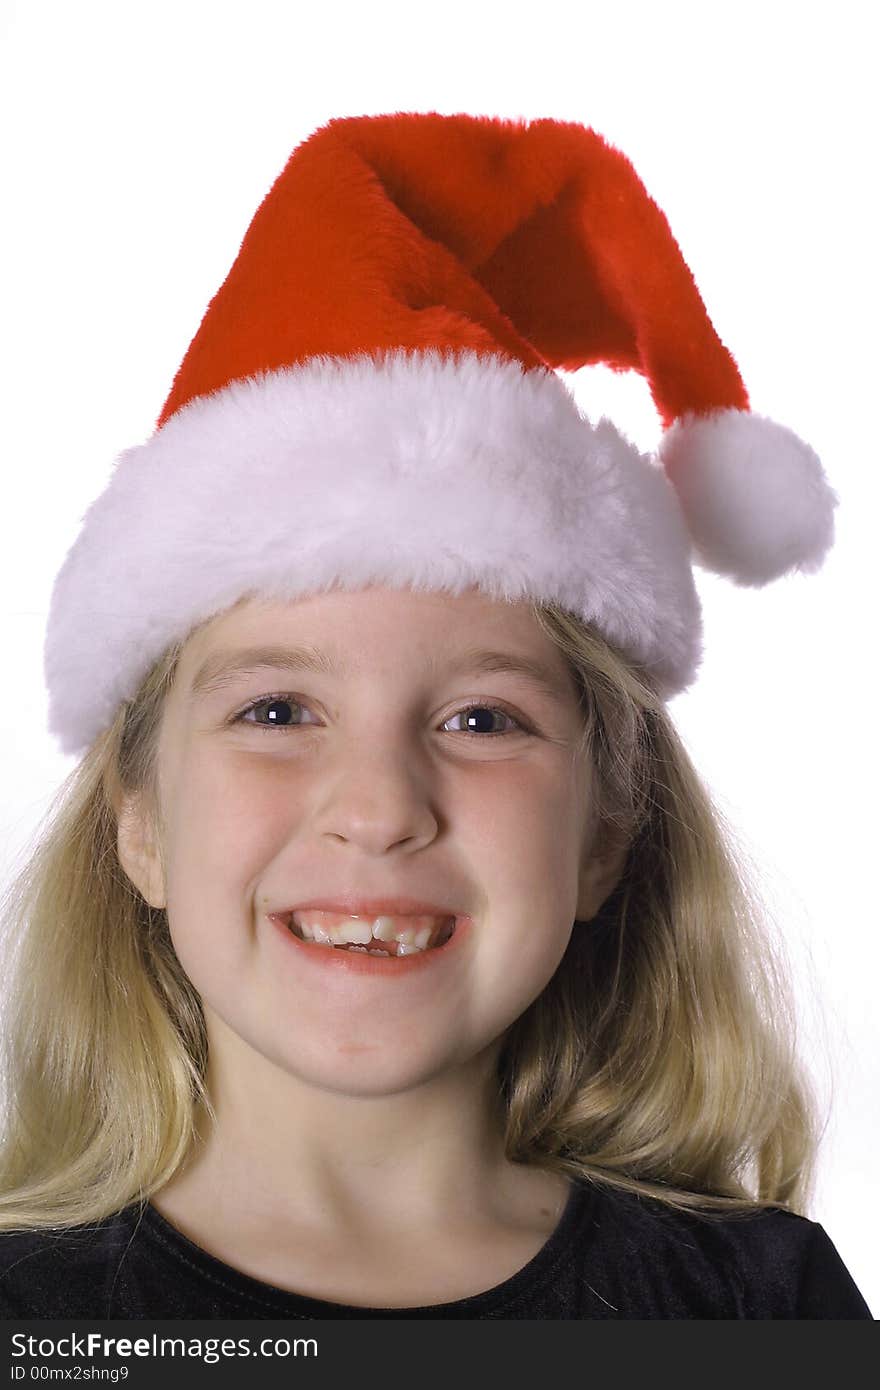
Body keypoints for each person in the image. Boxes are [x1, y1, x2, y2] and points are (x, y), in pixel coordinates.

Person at [0, 111, 871, 1320]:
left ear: (607, 833)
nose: (377, 809)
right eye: (276, 707)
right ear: (137, 822)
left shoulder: (753, 1306)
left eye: (479, 720)